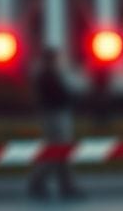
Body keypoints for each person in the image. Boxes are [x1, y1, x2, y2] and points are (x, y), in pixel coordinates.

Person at [27, 47, 84, 200]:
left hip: (52, 116)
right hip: (55, 116)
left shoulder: (45, 75)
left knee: (59, 153)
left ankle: (63, 185)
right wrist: (72, 97)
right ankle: (42, 183)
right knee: (58, 152)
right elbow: (59, 96)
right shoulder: (47, 76)